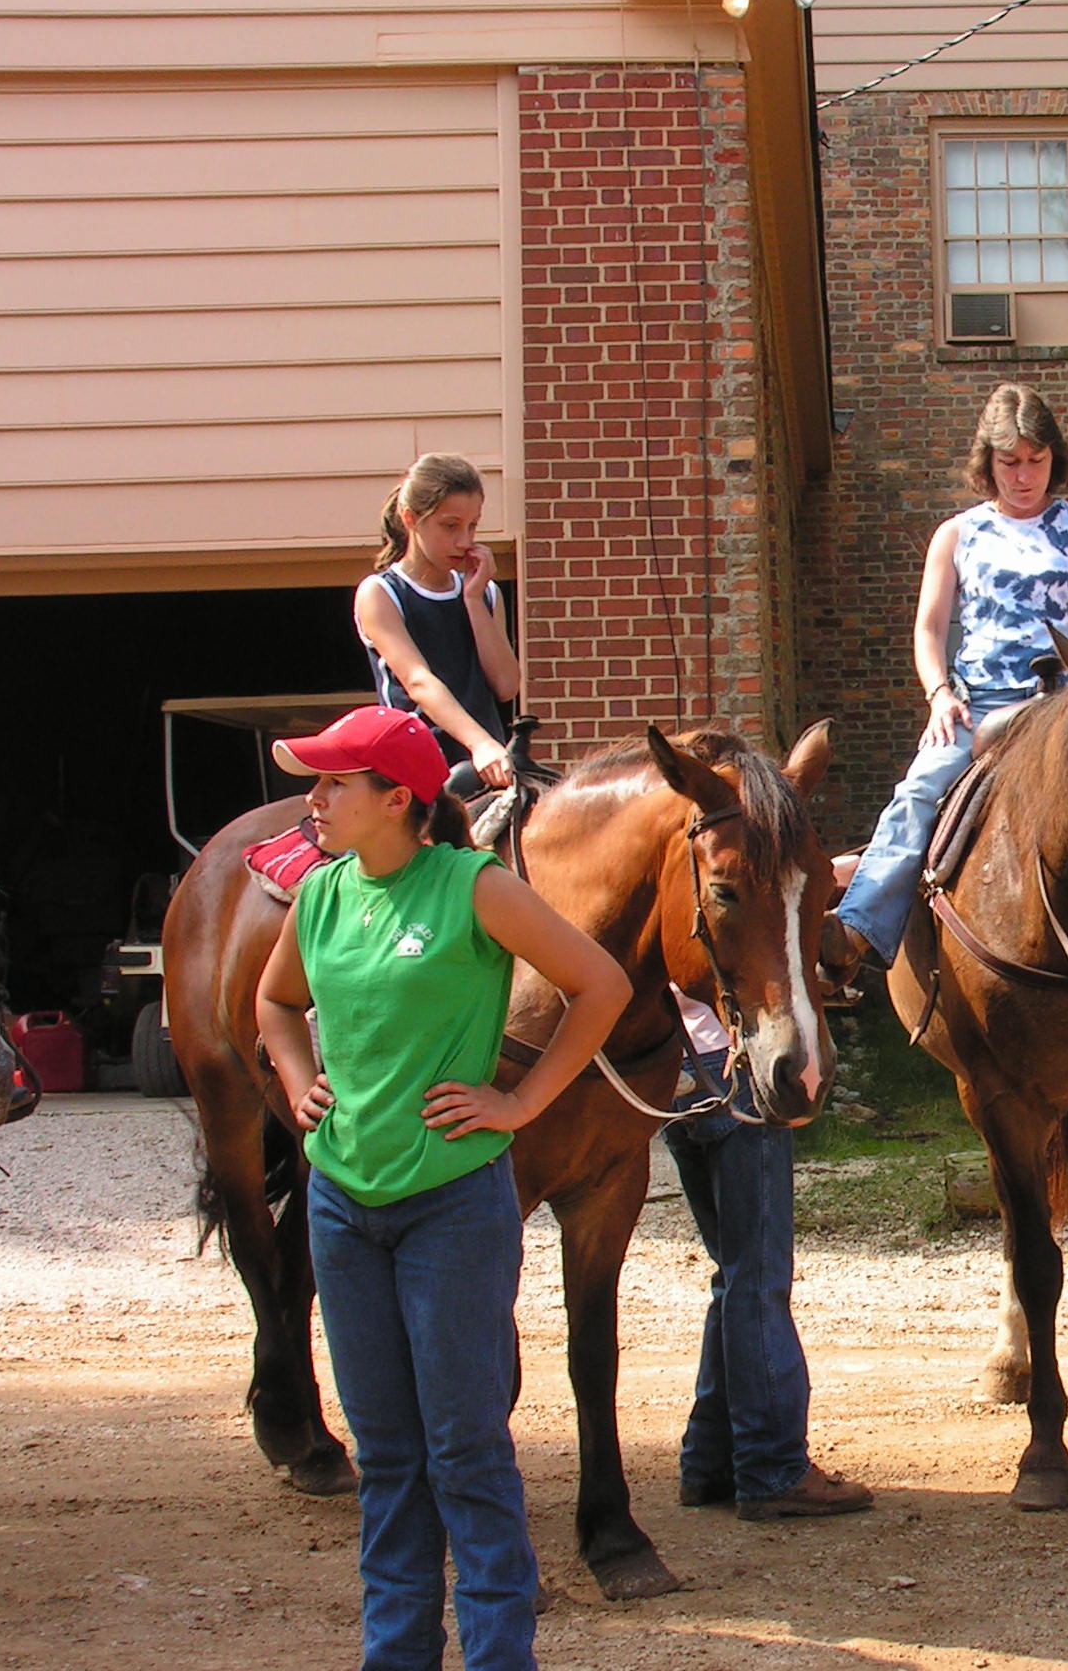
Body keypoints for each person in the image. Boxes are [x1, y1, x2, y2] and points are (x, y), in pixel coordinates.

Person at [253, 705, 631, 1671]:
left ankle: (501, 1655)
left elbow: (601, 986)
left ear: (398, 800)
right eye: (316, 781)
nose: (313, 799)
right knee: (386, 1457)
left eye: (334, 783)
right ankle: (397, 1655)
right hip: (342, 1206)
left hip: (453, 1207)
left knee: (465, 1451)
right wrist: (300, 1082)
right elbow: (275, 1002)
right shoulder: (319, 893)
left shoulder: (474, 886)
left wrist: (522, 1102)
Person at [823, 384, 1068, 986]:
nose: (1024, 475)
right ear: (988, 463)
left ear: (1054, 459)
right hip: (979, 703)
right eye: (1010, 462)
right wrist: (939, 694)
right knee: (918, 791)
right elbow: (930, 628)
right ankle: (856, 931)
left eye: (1036, 460)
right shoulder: (957, 533)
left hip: (1067, 702)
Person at [665, 989, 873, 1520]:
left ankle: (710, 1462)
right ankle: (772, 1467)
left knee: (734, 1275)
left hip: (677, 1069)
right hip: (737, 1065)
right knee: (758, 1277)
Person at [355, 453, 522, 790]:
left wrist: (473, 601)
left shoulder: (485, 592)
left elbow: (506, 685)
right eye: (450, 526)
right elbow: (418, 682)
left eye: (472, 526)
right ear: (410, 518)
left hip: (486, 771)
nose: (465, 541)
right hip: (413, 771)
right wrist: (481, 744)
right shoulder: (382, 593)